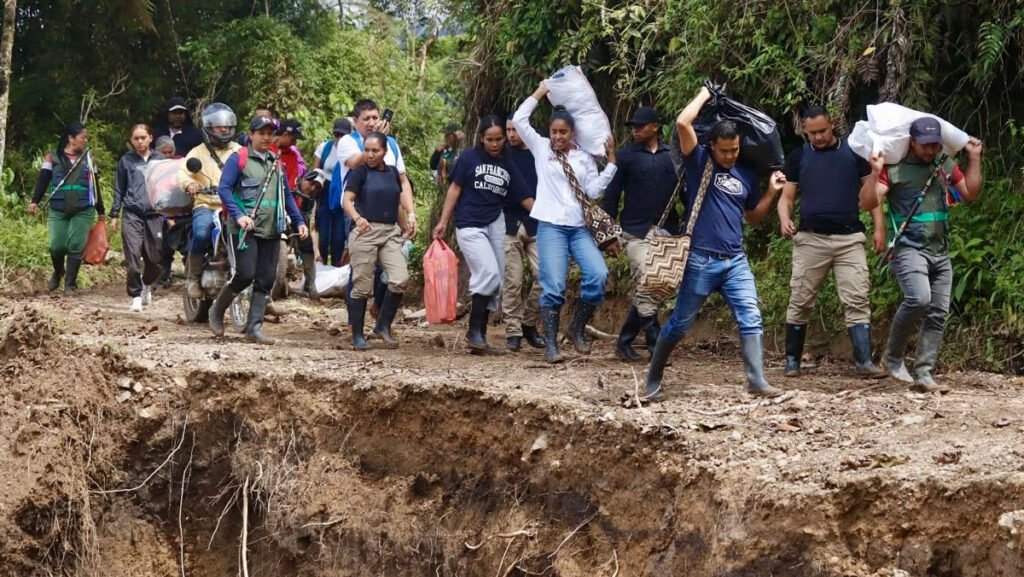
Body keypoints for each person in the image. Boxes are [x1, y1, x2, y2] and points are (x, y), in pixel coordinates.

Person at [643, 85, 786, 401]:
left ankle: (757, 381)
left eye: (734, 150)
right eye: (724, 150)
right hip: (700, 260)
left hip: (735, 260)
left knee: (751, 316)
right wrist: (705, 93)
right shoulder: (699, 161)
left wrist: (771, 192)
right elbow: (683, 123)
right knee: (680, 324)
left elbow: (753, 217)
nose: (730, 155)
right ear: (712, 146)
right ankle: (652, 379)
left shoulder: (746, 173)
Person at [860, 117, 984, 392]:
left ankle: (924, 373)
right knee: (919, 298)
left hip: (940, 249)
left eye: (934, 144)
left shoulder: (944, 165)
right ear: (912, 142)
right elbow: (868, 201)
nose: (930, 150)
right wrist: (874, 172)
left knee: (938, 311)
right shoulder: (895, 170)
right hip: (909, 248)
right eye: (925, 145)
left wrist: (974, 158)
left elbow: (970, 193)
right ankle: (892, 358)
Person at [512, 82, 617, 363]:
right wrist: (538, 93)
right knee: (553, 285)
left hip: (579, 228)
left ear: (573, 133)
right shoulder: (541, 147)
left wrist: (611, 164)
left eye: (563, 132)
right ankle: (550, 346)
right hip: (551, 227)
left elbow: (593, 191)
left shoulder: (584, 157)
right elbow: (520, 120)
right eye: (554, 131)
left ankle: (577, 329)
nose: (557, 137)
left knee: (598, 275)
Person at [779, 106, 887, 378]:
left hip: (849, 238)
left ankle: (864, 361)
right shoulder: (799, 156)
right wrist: (784, 218)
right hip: (811, 238)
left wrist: (879, 229)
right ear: (805, 130)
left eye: (822, 131)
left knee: (857, 297)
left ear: (833, 124)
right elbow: (787, 197)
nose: (817, 137)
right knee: (801, 299)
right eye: (812, 132)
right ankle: (792, 360)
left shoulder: (853, 153)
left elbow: (871, 195)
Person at [433, 115, 534, 354]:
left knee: (497, 280)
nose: (496, 143)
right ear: (481, 139)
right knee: (487, 272)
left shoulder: (507, 161)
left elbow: (522, 195)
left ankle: (481, 336)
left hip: (495, 222)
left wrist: (547, 217)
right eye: (490, 139)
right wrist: (443, 221)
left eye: (499, 139)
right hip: (469, 223)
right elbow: (455, 188)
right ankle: (473, 333)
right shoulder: (469, 158)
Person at [210, 115, 308, 343]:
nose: (266, 138)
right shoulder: (239, 159)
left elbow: (286, 195)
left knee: (266, 279)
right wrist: (239, 215)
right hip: (245, 230)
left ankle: (254, 328)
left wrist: (299, 220)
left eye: (269, 133)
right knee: (245, 274)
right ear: (251, 134)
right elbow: (224, 189)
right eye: (261, 133)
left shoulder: (276, 161)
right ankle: (217, 310)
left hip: (272, 228)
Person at [601, 105, 681, 362]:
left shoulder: (673, 156)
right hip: (634, 231)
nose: (635, 131)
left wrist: (690, 227)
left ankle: (624, 341)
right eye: (633, 127)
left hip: (667, 230)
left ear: (655, 127)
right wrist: (607, 235)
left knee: (657, 287)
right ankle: (656, 346)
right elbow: (611, 197)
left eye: (640, 126)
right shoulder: (625, 157)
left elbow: (687, 194)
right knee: (647, 280)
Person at [342, 131, 416, 350]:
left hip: (390, 231)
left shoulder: (393, 173)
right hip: (366, 231)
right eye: (367, 150)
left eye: (375, 150)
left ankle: (383, 325)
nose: (370, 154)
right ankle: (357, 334)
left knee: (399, 278)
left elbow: (396, 204)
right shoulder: (360, 172)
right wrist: (357, 218)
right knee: (362, 286)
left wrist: (406, 226)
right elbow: (347, 200)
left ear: (385, 151)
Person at [28, 122, 104, 293]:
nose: (86, 140)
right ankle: (58, 271)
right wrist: (34, 201)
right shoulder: (52, 157)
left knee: (76, 245)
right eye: (83, 137)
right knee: (56, 245)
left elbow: (95, 185)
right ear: (71, 138)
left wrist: (101, 212)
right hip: (58, 206)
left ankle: (70, 284)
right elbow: (43, 179)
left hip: (84, 207)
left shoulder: (89, 158)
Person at [178, 103, 242, 298]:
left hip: (233, 206)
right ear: (208, 128)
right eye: (218, 126)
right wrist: (190, 185)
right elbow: (182, 173)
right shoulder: (197, 153)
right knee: (200, 233)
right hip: (207, 204)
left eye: (227, 127)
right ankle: (193, 277)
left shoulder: (239, 151)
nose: (223, 130)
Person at [109, 124, 165, 312]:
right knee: (133, 255)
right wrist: (115, 214)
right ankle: (135, 295)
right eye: (136, 139)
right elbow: (119, 188)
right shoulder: (126, 161)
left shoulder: (160, 160)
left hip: (155, 214)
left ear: (150, 137)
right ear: (131, 141)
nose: (140, 142)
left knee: (155, 258)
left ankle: (146, 283)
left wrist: (172, 212)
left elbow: (168, 187)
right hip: (132, 213)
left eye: (143, 137)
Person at [501, 114, 545, 352]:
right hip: (509, 224)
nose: (510, 135)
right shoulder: (502, 155)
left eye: (515, 130)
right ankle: (513, 331)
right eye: (508, 130)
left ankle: (528, 323)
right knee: (513, 281)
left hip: (538, 223)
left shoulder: (540, 153)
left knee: (545, 277)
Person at [313, 118, 352, 266]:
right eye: (337, 134)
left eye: (343, 135)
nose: (339, 139)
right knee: (323, 236)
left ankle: (336, 267)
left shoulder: (352, 150)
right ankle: (320, 266)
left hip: (342, 194)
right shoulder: (325, 147)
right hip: (324, 192)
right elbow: (315, 170)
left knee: (338, 236)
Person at [155, 136, 189, 287]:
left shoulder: (181, 163)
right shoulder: (154, 166)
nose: (168, 155)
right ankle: (163, 277)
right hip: (161, 212)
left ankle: (190, 276)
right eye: (164, 152)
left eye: (170, 152)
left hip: (182, 212)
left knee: (187, 247)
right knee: (164, 249)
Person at [293, 168, 327, 299]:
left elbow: (312, 227)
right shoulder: (290, 188)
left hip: (301, 230)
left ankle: (310, 284)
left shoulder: (311, 203)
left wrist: (316, 251)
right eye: (311, 183)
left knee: (308, 247)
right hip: (284, 227)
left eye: (317, 188)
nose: (312, 189)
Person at [272, 119, 307, 191]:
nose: (294, 143)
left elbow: (291, 183)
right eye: (293, 140)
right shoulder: (266, 149)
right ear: (285, 135)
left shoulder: (292, 155)